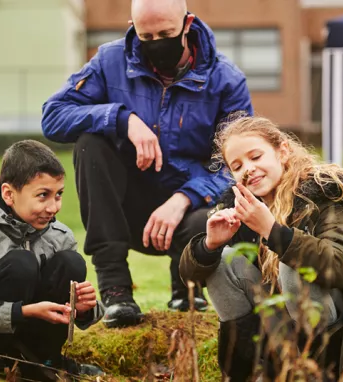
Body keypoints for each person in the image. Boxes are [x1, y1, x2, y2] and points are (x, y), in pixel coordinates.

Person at [41, 0, 253, 328]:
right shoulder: (109, 61)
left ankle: (187, 288)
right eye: (146, 36)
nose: (156, 44)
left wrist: (185, 197)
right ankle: (116, 293)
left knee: (213, 208)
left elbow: (227, 163)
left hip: (192, 213)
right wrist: (120, 118)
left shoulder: (226, 80)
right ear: (132, 27)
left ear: (187, 24)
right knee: (90, 144)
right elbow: (53, 116)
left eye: (166, 33)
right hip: (126, 209)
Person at [179, 116, 343, 381]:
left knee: (292, 266)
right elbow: (192, 281)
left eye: (256, 157)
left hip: (336, 338)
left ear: (282, 152)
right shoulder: (239, 207)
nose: (249, 170)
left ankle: (315, 374)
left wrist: (272, 231)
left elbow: (338, 267)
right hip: (277, 333)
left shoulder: (321, 193)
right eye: (237, 166)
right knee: (225, 261)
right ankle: (251, 373)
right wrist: (210, 245)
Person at [0, 140, 104, 381]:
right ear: (8, 193)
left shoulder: (61, 235)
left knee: (72, 263)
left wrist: (85, 309)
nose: (53, 207)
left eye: (58, 195)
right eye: (43, 195)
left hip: (32, 336)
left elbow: (80, 310)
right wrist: (23, 312)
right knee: (20, 264)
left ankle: (44, 362)